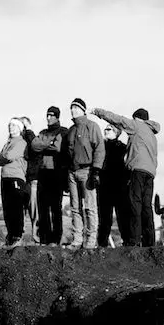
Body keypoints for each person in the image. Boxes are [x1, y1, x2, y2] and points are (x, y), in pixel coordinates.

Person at [91, 106, 162, 247]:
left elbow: (118, 119)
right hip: (150, 172)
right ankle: (149, 241)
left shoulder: (137, 126)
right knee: (146, 207)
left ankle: (133, 241)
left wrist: (98, 112)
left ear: (137, 118)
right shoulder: (151, 134)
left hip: (138, 170)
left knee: (134, 205)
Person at [66, 98, 105, 249]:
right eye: (71, 108)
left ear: (83, 110)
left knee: (90, 207)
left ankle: (90, 240)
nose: (73, 110)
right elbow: (66, 153)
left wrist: (96, 170)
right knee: (75, 208)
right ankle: (77, 240)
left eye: (76, 107)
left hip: (87, 171)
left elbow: (100, 149)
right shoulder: (71, 130)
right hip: (72, 172)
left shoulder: (92, 126)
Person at [29, 106, 68, 246]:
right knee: (42, 207)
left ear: (57, 116)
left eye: (51, 115)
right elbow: (34, 145)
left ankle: (56, 238)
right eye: (47, 115)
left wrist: (43, 144)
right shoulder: (43, 132)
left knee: (56, 208)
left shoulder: (63, 131)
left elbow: (57, 147)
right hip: (42, 173)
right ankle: (44, 238)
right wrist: (48, 143)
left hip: (56, 173)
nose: (48, 118)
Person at [0, 118, 29, 246]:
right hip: (5, 177)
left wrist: (2, 157)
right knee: (7, 208)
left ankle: (17, 235)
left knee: (16, 207)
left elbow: (8, 156)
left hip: (16, 177)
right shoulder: (8, 142)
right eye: (10, 125)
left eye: (14, 125)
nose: (11, 127)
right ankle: (10, 235)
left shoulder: (20, 142)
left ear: (20, 128)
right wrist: (2, 157)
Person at [98, 124, 128, 247]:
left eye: (109, 129)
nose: (105, 131)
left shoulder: (123, 147)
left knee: (122, 216)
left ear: (116, 132)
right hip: (104, 185)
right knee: (104, 217)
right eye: (105, 129)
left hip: (119, 185)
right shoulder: (100, 146)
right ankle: (102, 243)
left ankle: (127, 241)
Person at [20, 117, 40, 243]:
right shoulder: (16, 141)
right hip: (20, 179)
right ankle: (18, 238)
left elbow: (35, 147)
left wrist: (29, 130)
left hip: (32, 178)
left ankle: (37, 238)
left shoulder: (32, 138)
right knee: (19, 211)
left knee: (34, 210)